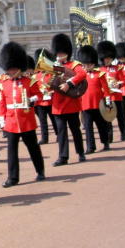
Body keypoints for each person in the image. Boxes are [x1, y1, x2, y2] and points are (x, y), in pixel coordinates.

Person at [0, 42, 45, 187]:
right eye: (9, 69)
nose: (11, 72)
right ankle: (13, 177)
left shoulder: (29, 82)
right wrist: (2, 121)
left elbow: (40, 96)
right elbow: (2, 104)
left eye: (13, 69)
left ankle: (40, 170)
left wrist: (31, 100)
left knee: (33, 148)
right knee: (12, 151)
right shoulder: (4, 83)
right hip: (11, 121)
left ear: (19, 67)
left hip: (26, 120)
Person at [50, 33, 86, 166]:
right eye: (57, 53)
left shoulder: (74, 64)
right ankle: (63, 156)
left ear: (67, 52)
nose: (59, 55)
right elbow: (47, 78)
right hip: (58, 105)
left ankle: (80, 152)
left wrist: (69, 84)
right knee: (61, 133)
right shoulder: (54, 66)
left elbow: (82, 74)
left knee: (75, 130)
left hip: (71, 103)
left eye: (61, 53)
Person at [79, 45, 112, 153]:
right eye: (86, 63)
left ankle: (105, 142)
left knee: (101, 125)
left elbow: (106, 89)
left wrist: (108, 101)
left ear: (93, 63)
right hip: (86, 104)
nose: (87, 65)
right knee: (88, 127)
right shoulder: (81, 76)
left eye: (89, 63)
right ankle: (90, 146)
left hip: (98, 104)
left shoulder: (100, 74)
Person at [97, 40, 125, 141]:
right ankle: (109, 136)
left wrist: (118, 85)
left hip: (116, 96)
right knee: (107, 118)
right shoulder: (100, 70)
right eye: (105, 58)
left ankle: (123, 132)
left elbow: (123, 81)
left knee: (120, 116)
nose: (107, 60)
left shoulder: (117, 68)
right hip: (106, 97)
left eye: (109, 58)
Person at [33, 48, 59, 145]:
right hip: (40, 101)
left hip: (51, 100)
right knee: (42, 121)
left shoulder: (52, 74)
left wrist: (52, 91)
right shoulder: (36, 76)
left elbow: (57, 86)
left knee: (54, 120)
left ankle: (58, 135)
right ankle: (44, 138)